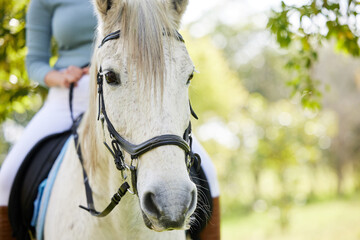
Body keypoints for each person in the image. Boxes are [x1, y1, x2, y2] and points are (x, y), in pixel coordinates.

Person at [0, 0, 219, 239]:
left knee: (208, 172)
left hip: (136, 92)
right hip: (69, 95)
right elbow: (34, 62)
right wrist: (57, 76)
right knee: (6, 179)